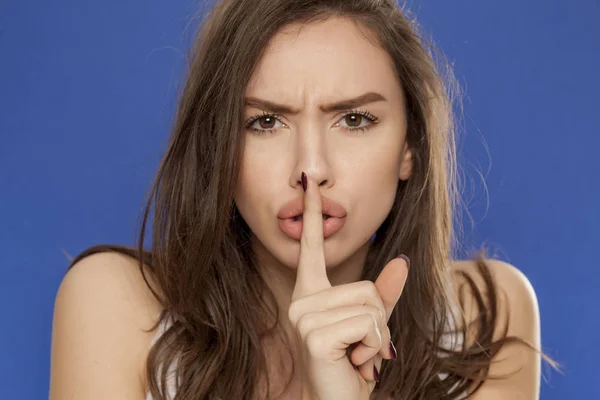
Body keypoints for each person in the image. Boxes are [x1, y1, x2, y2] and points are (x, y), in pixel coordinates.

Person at [49, 0, 560, 399]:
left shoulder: (483, 317)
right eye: (265, 122)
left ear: (410, 148)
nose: (311, 168)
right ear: (219, 149)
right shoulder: (115, 304)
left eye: (354, 119)